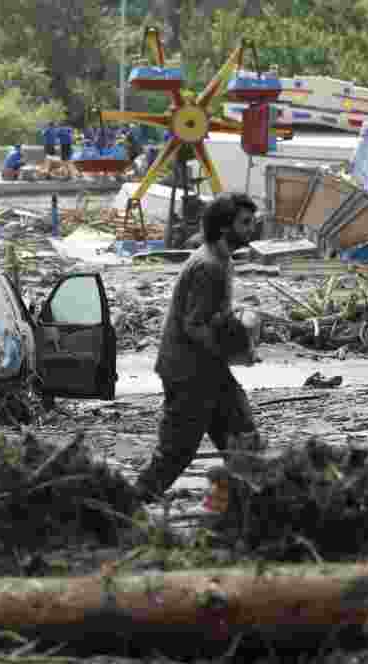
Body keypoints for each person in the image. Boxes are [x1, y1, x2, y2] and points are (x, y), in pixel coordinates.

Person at [134, 193, 263, 503]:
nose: (251, 229)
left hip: (207, 370)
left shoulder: (218, 258)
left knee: (242, 439)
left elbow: (213, 319)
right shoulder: (209, 267)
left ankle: (253, 507)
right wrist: (232, 348)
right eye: (244, 223)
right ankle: (127, 505)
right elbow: (195, 325)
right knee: (175, 452)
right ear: (223, 228)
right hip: (190, 372)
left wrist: (237, 332)